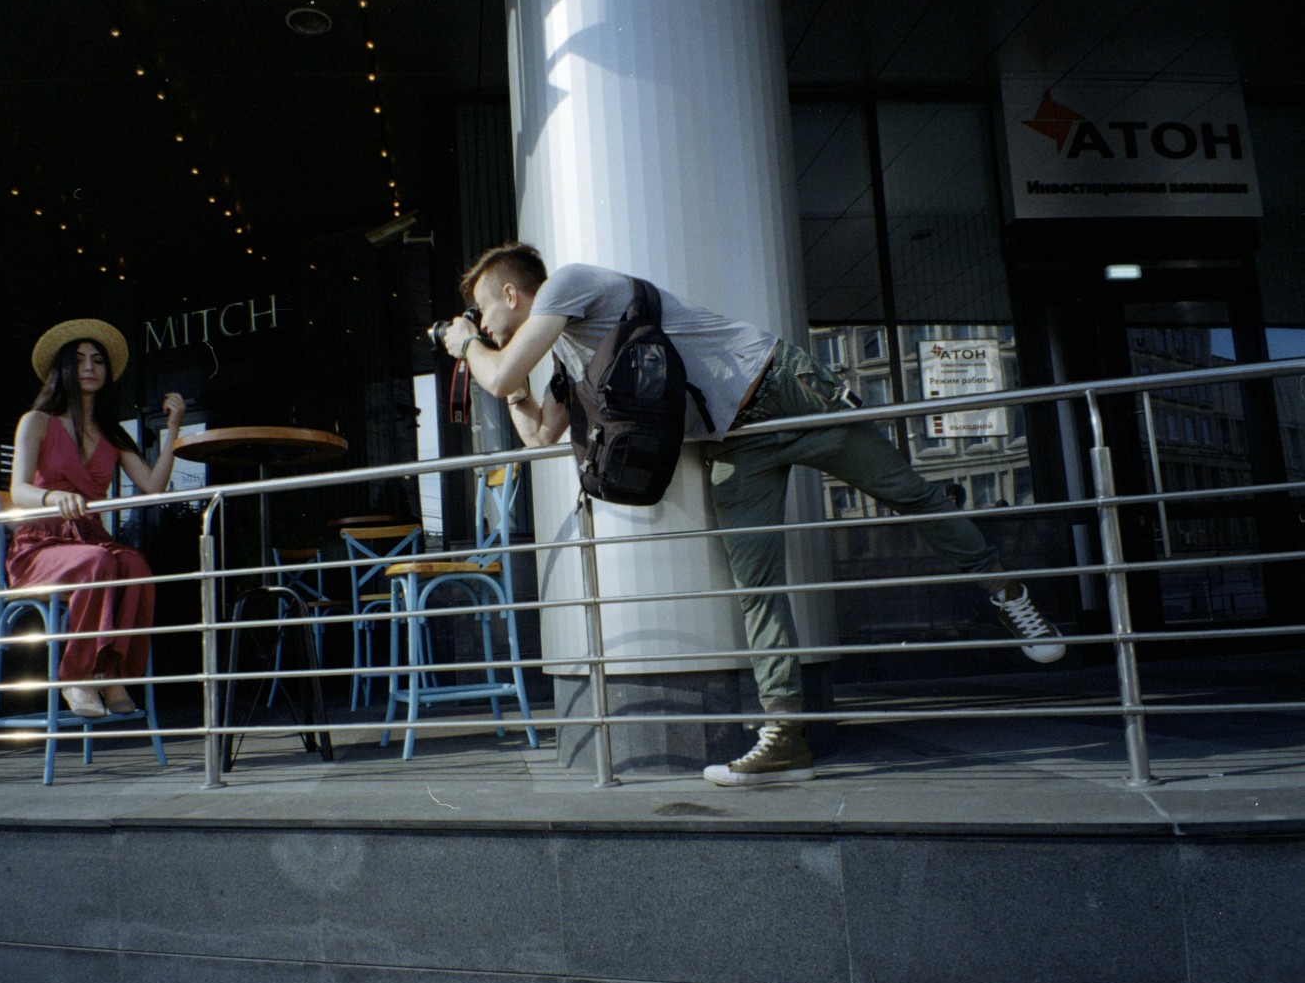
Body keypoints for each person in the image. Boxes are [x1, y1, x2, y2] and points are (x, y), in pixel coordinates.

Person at [439, 242, 1065, 786]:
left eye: (484, 309)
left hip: (783, 387)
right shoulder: (568, 356)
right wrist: (516, 385)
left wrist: (467, 344)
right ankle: (786, 738)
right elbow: (536, 435)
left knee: (910, 494)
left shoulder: (568, 281)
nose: (481, 323)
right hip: (733, 441)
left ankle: (1006, 591)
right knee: (756, 583)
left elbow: (493, 375)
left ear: (513, 294)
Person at [8, 318, 185, 719]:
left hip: (90, 539)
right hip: (40, 545)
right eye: (80, 360)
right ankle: (76, 675)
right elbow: (18, 490)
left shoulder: (113, 434)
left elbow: (152, 486)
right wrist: (53, 497)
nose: (90, 367)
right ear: (62, 370)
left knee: (135, 565)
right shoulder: (36, 421)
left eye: (98, 361)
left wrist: (173, 428)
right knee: (99, 561)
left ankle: (112, 674)